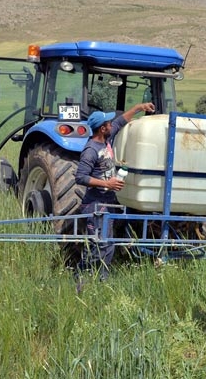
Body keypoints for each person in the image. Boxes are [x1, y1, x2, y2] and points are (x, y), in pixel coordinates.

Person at [74, 102, 155, 284]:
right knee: (97, 245)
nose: (112, 125)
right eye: (108, 124)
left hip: (108, 202)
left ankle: (100, 280)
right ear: (102, 128)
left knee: (107, 244)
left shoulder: (107, 141)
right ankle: (82, 279)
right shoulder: (91, 151)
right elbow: (80, 177)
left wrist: (139, 107)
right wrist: (107, 183)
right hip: (95, 203)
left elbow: (120, 121)